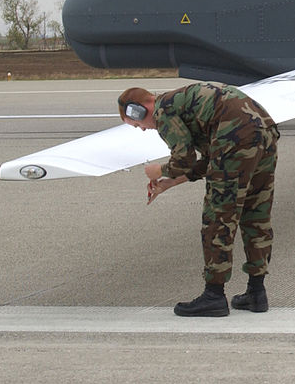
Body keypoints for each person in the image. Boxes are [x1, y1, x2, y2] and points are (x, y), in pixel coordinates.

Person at [118, 83, 279, 317]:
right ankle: (256, 292)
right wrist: (171, 182)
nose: (142, 129)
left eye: (136, 123)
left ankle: (214, 295)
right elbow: (213, 159)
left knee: (218, 219)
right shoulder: (182, 101)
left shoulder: (164, 111)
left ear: (140, 110)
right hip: (263, 133)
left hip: (234, 138)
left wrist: (159, 170)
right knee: (256, 215)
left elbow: (184, 159)